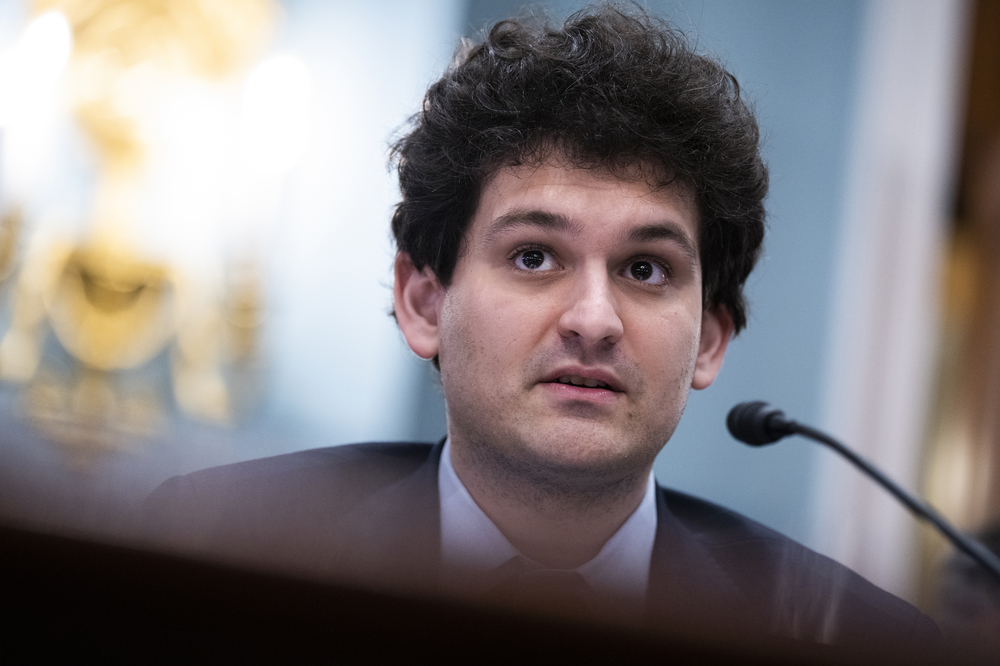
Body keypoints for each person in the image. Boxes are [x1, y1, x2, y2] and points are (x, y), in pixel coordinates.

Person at [145, 3, 938, 653]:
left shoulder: (854, 642)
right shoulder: (213, 544)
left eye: (645, 270)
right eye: (532, 256)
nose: (594, 321)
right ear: (424, 303)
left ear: (709, 340)